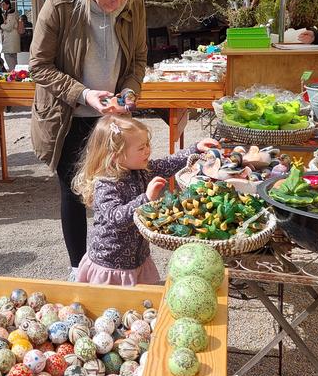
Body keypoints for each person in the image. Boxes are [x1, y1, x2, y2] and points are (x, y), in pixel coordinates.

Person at [28, 0, 147, 281]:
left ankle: (114, 265)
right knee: (74, 191)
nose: (117, 5)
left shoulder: (132, 2)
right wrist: (83, 93)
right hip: (67, 116)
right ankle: (77, 268)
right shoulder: (62, 3)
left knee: (118, 189)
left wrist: (128, 90)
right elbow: (39, 65)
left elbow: (138, 59)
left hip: (111, 115)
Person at [71, 115, 219, 285]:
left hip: (138, 257)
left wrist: (194, 149)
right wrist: (146, 198)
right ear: (116, 156)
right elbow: (115, 217)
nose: (148, 150)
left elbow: (167, 164)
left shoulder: (141, 169)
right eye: (141, 148)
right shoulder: (106, 183)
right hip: (111, 262)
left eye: (147, 144)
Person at [0, 0, 22, 72]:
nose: (2, 6)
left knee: (8, 56)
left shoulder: (11, 14)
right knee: (13, 57)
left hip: (11, 39)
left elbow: (9, 27)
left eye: (4, 5)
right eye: (2, 5)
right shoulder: (11, 13)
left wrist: (1, 25)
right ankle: (16, 74)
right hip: (12, 38)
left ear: (8, 5)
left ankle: (13, 73)